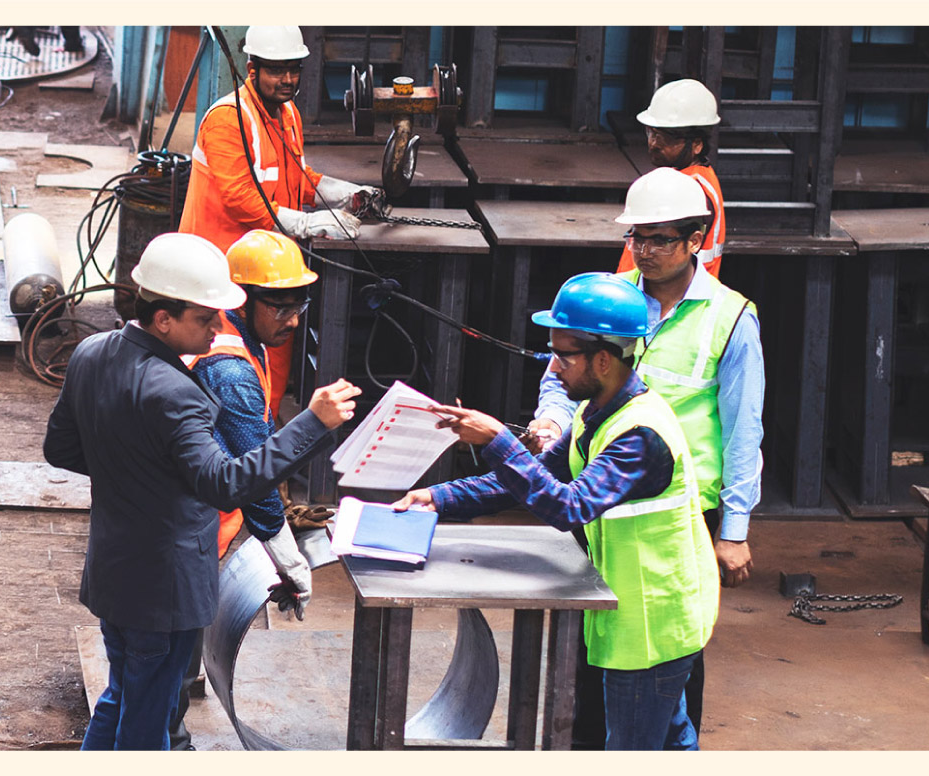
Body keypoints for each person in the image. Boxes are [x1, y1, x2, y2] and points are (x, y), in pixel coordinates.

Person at [43, 232, 361, 750]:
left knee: (123, 696)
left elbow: (62, 449)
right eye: (205, 318)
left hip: (113, 574)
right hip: (164, 589)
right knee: (148, 724)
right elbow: (226, 484)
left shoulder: (91, 352)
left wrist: (137, 474)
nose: (219, 327)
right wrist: (311, 423)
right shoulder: (179, 393)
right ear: (163, 317)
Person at [392, 273, 719, 750]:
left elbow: (568, 506)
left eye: (563, 355)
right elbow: (536, 476)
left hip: (651, 625)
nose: (551, 366)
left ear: (603, 359)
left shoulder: (640, 435)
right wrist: (439, 498)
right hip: (632, 613)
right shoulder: (597, 411)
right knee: (670, 741)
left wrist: (499, 442)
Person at [527, 167, 764, 747]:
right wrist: (552, 423)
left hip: (679, 515)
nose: (645, 252)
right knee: (594, 662)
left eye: (660, 239)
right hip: (599, 503)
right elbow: (561, 372)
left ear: (696, 241)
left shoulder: (729, 317)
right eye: (637, 238)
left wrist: (733, 528)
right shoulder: (612, 295)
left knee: (669, 663)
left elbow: (742, 429)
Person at [167, 229, 321, 750]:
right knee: (166, 654)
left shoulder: (232, 338)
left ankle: (182, 684)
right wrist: (287, 555)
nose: (293, 319)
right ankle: (171, 735)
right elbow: (254, 473)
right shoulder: (231, 369)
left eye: (299, 304)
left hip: (192, 520)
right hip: (190, 530)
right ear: (244, 299)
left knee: (179, 638)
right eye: (281, 307)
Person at [179, 24, 380, 417]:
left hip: (270, 275)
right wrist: (309, 224)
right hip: (220, 275)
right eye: (276, 70)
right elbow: (241, 198)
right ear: (252, 69)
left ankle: (263, 453)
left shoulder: (286, 114)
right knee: (227, 376)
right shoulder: (228, 120)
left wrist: (343, 192)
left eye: (293, 69)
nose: (287, 80)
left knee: (271, 369)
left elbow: (292, 178)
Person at [615, 78, 726, 278]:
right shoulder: (692, 179)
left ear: (697, 144)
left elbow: (659, 264)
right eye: (652, 133)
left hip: (671, 304)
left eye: (667, 138)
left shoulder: (689, 191)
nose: (655, 144)